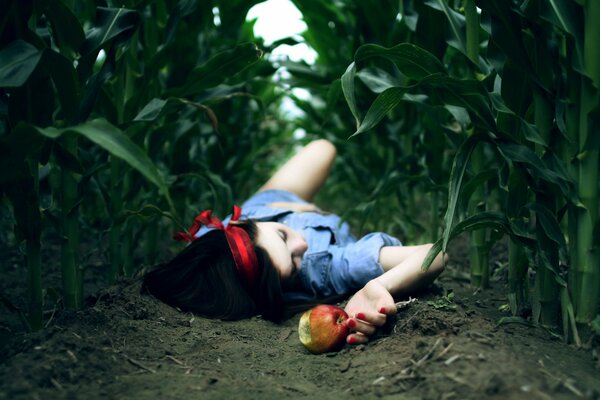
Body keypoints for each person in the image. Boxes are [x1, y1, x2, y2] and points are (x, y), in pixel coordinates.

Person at [142, 139, 446, 345]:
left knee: (323, 148)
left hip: (268, 205)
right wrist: (378, 286)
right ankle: (306, 216)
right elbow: (435, 254)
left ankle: (279, 219)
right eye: (293, 263)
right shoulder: (325, 268)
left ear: (240, 226)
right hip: (271, 217)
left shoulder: (210, 254)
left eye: (282, 236)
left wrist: (272, 218)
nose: (300, 245)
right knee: (322, 150)